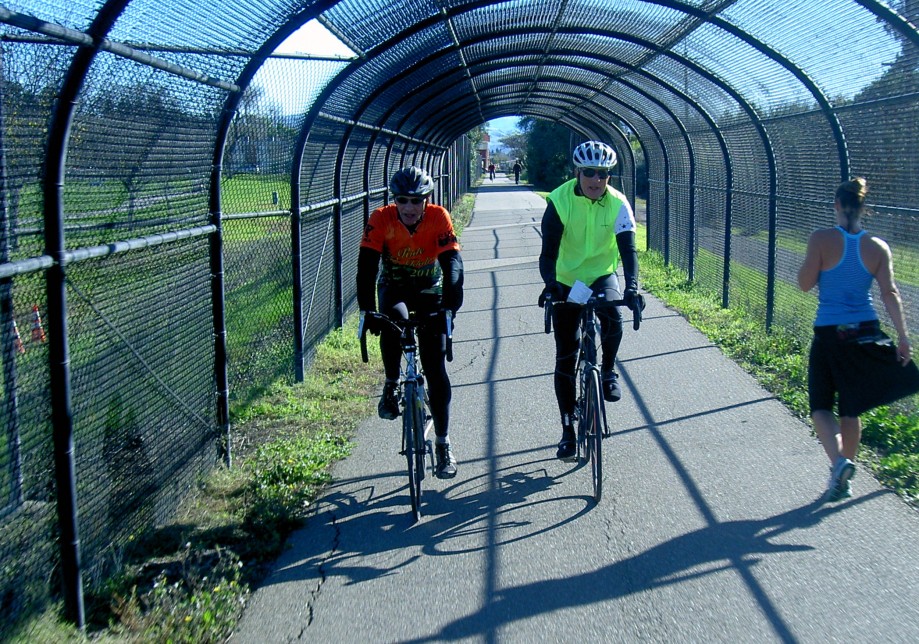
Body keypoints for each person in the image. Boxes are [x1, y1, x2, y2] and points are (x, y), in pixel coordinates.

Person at [798, 177, 919, 501]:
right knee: (851, 410)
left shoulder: (821, 239)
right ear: (865, 208)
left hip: (831, 332)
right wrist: (903, 337)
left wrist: (818, 262)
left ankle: (840, 465)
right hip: (866, 332)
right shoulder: (878, 247)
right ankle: (842, 480)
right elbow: (890, 293)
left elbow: (804, 284)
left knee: (821, 407)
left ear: (837, 204)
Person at [357, 166, 465, 478]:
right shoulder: (381, 218)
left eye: (416, 200)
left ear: (426, 200)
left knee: (435, 368)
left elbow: (452, 263)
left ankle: (443, 443)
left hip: (429, 290)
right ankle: (392, 383)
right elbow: (366, 266)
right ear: (394, 200)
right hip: (395, 288)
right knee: (394, 321)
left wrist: (451, 305)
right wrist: (367, 309)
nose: (409, 207)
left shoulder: (438, 217)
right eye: (402, 200)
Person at [538, 141, 642, 461]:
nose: (596, 179)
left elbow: (628, 250)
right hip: (567, 279)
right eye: (589, 172)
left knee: (613, 317)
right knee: (566, 355)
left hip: (600, 275)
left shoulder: (619, 203)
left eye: (603, 173)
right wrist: (551, 285)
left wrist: (632, 287)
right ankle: (567, 430)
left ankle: (608, 371)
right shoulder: (559, 201)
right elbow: (548, 253)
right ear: (577, 173)